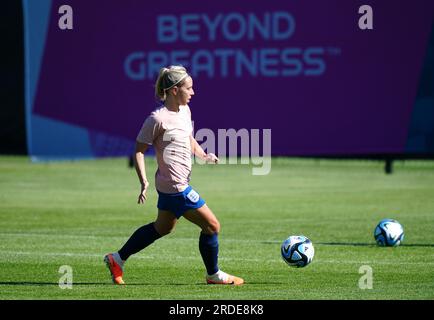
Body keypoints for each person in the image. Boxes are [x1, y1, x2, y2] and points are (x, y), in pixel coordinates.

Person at [104, 65, 244, 286]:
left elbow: (188, 138)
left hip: (172, 185)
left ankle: (117, 259)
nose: (193, 92)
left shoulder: (185, 111)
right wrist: (143, 181)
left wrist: (203, 154)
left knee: (162, 228)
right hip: (176, 187)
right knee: (212, 226)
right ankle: (213, 274)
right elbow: (139, 150)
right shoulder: (157, 119)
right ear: (174, 90)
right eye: (189, 88)